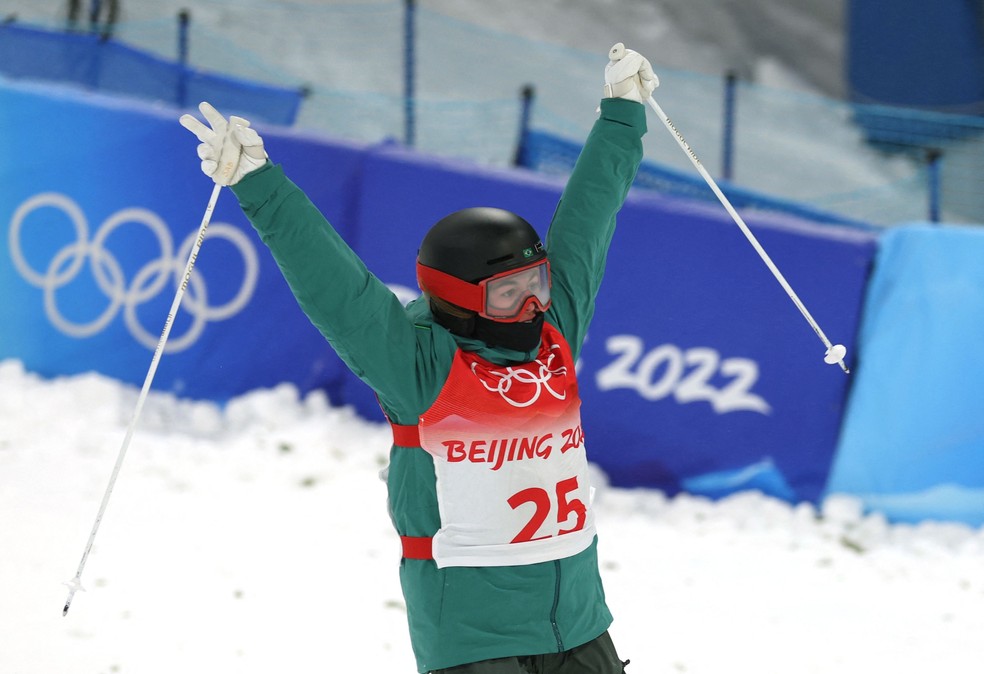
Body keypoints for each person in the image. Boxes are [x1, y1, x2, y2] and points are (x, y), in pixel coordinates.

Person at [180, 42, 655, 674]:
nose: (534, 306)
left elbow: (588, 221)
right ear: (460, 301)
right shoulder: (419, 367)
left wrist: (621, 116)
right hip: (474, 641)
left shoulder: (555, 335)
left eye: (536, 284)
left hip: (581, 623)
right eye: (507, 294)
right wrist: (260, 186)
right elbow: (338, 289)